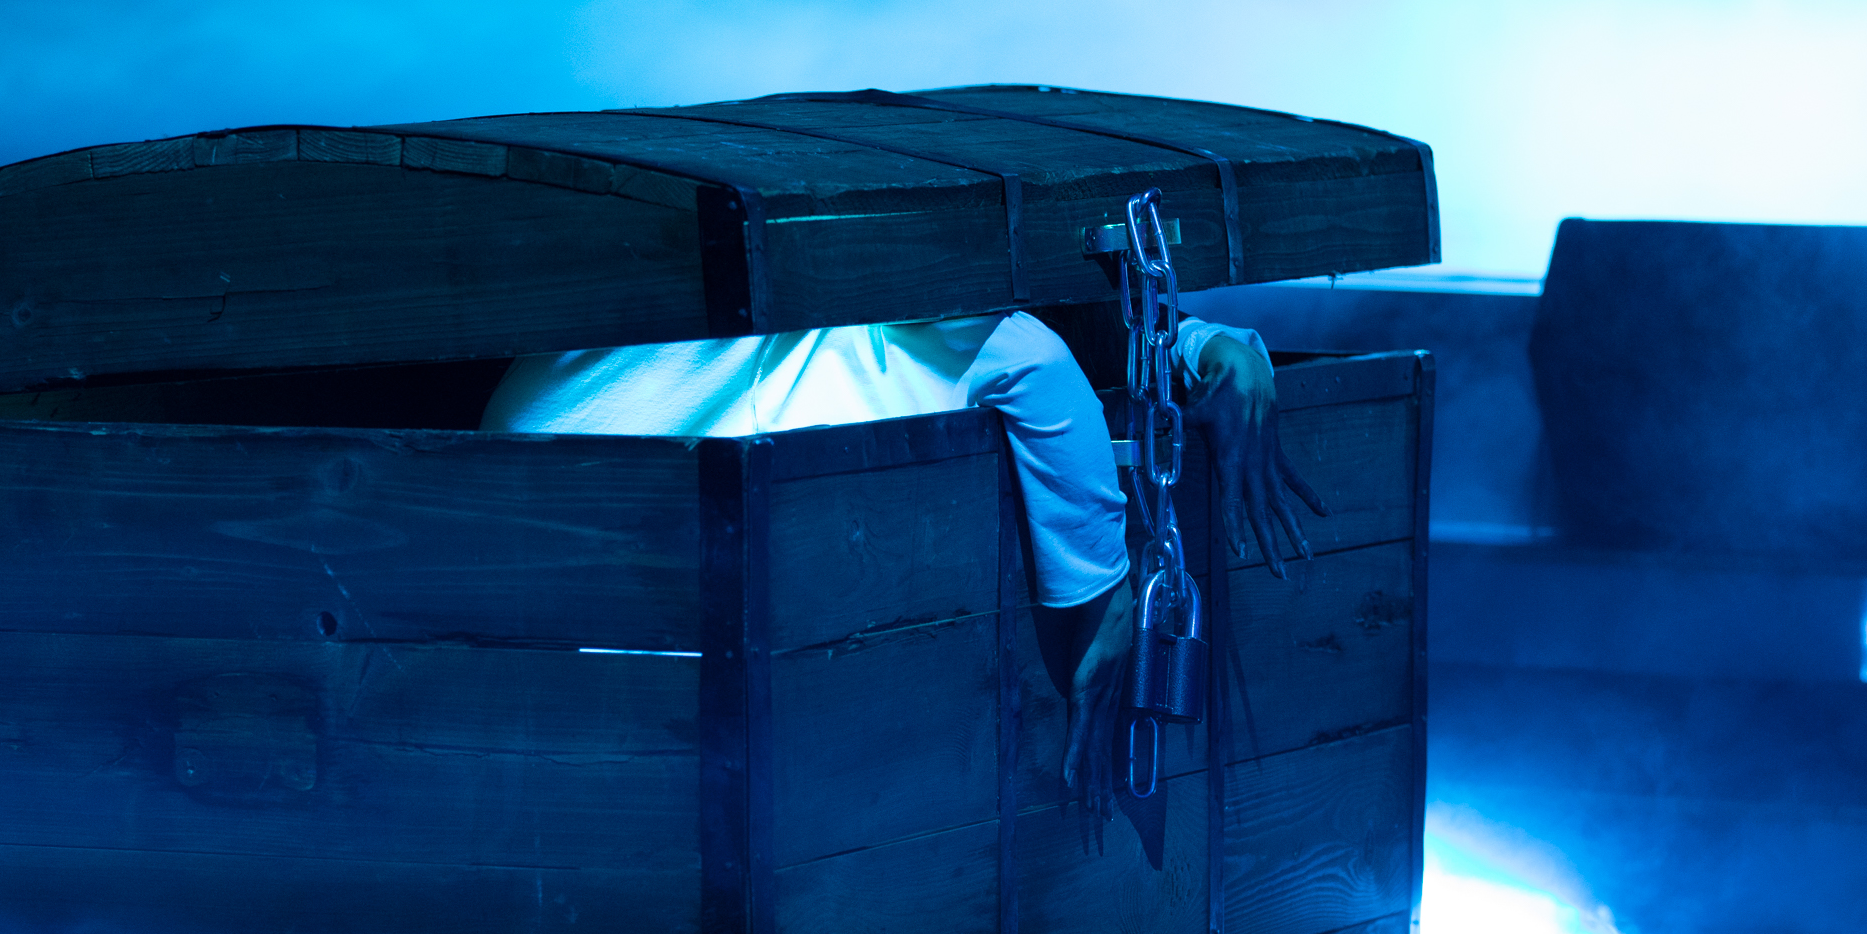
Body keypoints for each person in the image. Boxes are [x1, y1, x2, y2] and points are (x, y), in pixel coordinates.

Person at [483, 308, 1321, 804]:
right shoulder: (867, 340)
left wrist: (1204, 343)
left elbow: (1056, 323)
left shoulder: (553, 362)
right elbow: (1027, 347)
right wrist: (1101, 590)